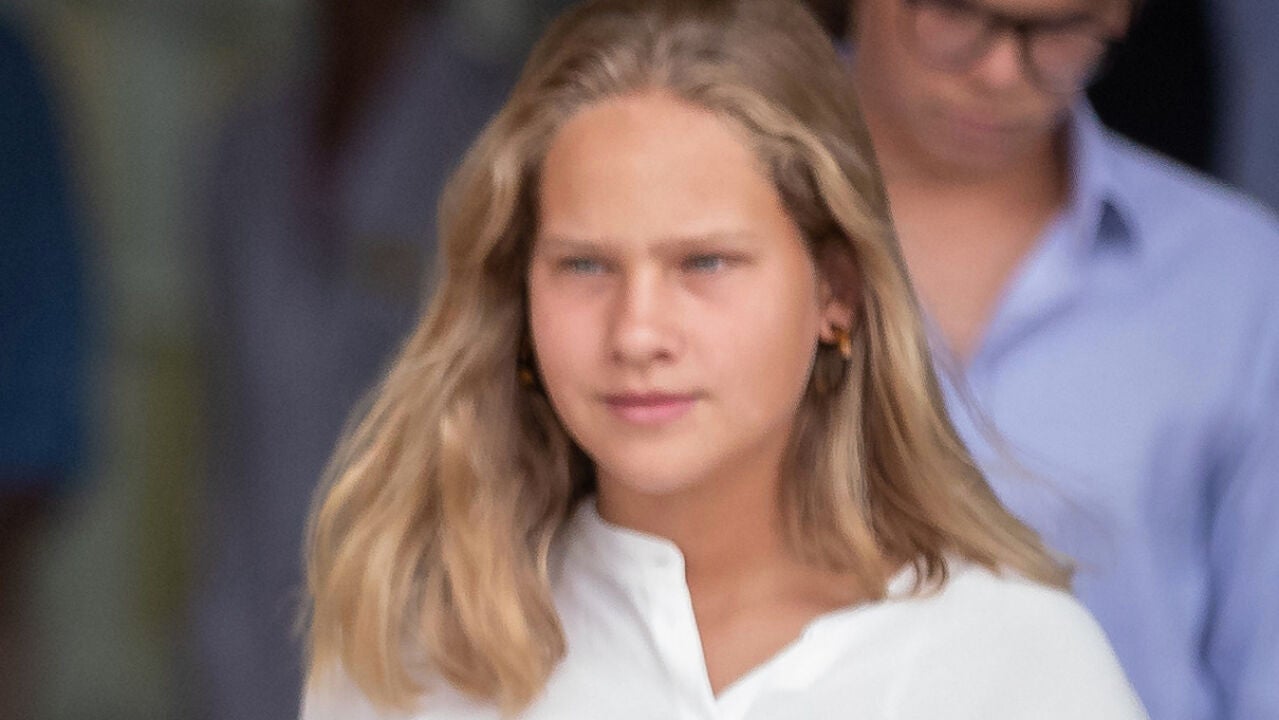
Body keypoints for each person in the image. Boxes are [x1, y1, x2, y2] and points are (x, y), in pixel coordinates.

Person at [300, 1, 1147, 718]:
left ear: (835, 291)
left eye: (704, 263)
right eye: (584, 266)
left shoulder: (1015, 665)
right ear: (518, 291)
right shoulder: (413, 657)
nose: (636, 333)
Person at [843, 0, 1279, 718]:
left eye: (1058, 29)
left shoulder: (1238, 277)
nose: (998, 72)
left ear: (1121, 15)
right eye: (958, 14)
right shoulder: (695, 231)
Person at [192, 2, 516, 718]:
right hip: (249, 631)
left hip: (437, 635)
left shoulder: (504, 129)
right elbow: (233, 419)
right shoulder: (245, 147)